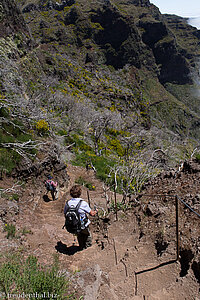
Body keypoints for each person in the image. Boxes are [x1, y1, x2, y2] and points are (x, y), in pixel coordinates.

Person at [64, 185, 97, 250]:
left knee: (79, 235)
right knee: (87, 235)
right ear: (80, 193)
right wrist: (96, 211)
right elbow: (92, 214)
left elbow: (65, 213)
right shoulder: (83, 203)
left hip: (73, 225)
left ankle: (81, 247)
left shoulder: (68, 203)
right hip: (83, 224)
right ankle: (87, 248)